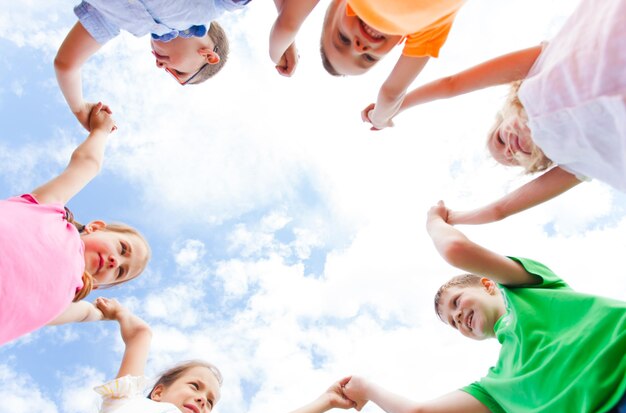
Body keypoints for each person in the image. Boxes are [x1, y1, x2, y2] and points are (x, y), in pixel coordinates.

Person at [340, 200, 626, 413]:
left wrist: (434, 222)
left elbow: (456, 250)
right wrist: (366, 388)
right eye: (453, 322)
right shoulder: (497, 383)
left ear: (489, 285)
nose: (458, 316)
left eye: (456, 302)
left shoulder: (527, 288)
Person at [376, 0, 626, 225]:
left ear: (503, 115)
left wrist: (396, 106)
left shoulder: (536, 72)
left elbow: (452, 84)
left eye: (500, 139)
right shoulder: (574, 163)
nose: (510, 150)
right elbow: (500, 210)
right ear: (537, 165)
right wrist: (450, 219)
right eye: (512, 159)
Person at [0, 104, 150, 346]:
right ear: (95, 227)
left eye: (120, 271)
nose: (116, 262)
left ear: (101, 285)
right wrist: (101, 131)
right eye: (122, 249)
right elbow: (86, 165)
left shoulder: (69, 296)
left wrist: (117, 315)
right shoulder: (49, 211)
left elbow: (90, 313)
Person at [94, 297, 356, 413]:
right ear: (159, 392)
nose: (202, 400)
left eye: (210, 402)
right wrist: (119, 313)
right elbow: (141, 335)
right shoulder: (126, 402)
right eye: (195, 386)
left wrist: (327, 401)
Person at [55, 0, 250, 131]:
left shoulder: (121, 20)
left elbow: (66, 65)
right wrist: (281, 29)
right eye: (177, 72)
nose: (159, 65)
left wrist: (79, 109)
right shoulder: (209, 6)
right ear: (208, 56)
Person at [269, 0, 466, 129]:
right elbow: (391, 93)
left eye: (342, 39)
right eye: (368, 58)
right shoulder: (427, 27)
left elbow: (288, 24)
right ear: (401, 42)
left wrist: (279, 53)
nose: (359, 47)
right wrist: (279, 51)